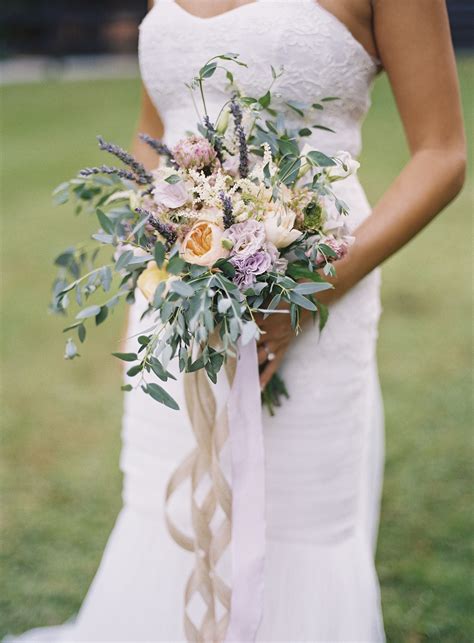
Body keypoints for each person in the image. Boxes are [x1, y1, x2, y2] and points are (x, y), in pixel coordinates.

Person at [9, 1, 465, 641]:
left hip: (315, 292)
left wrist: (309, 292)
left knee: (296, 521)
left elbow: (443, 153)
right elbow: (156, 140)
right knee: (167, 511)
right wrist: (148, 284)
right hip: (174, 306)